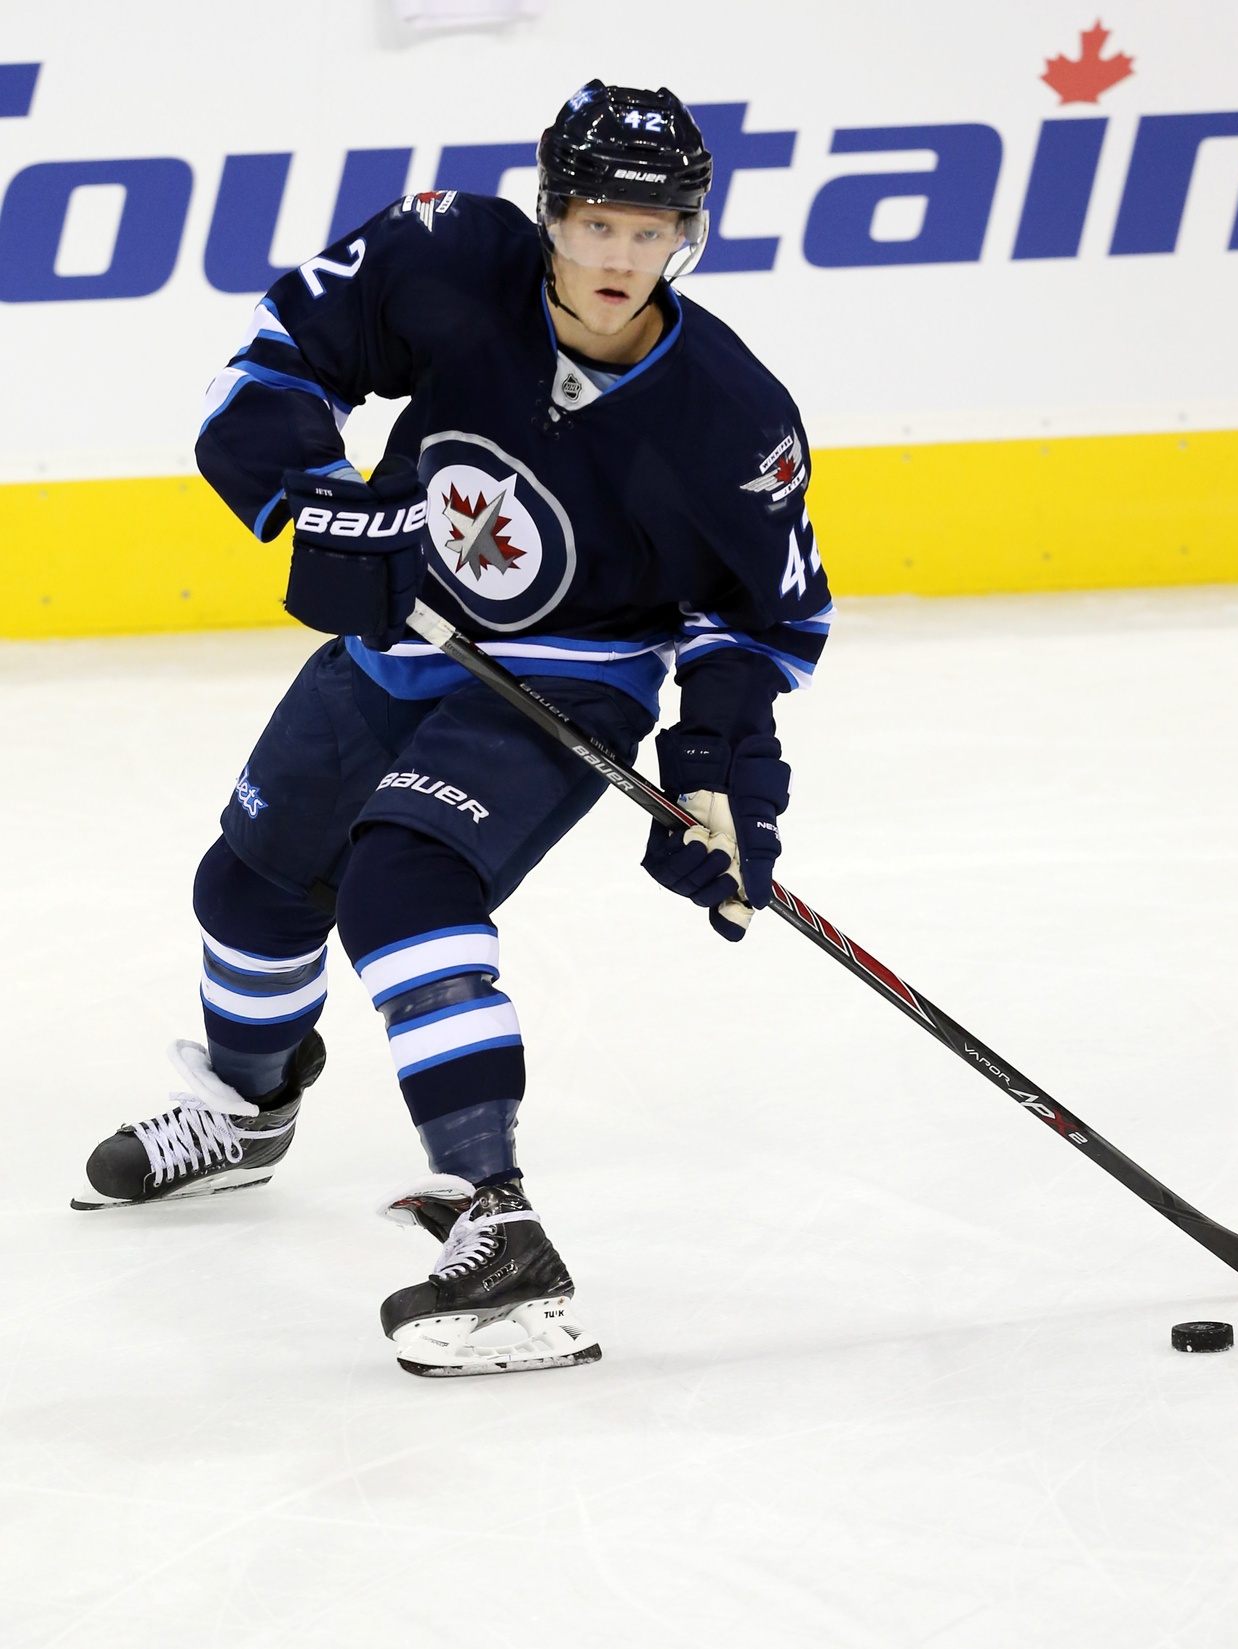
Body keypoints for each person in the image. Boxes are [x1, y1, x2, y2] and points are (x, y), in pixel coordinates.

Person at [72, 80, 832, 1377]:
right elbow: (273, 362)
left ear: (686, 235)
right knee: (251, 880)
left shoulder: (732, 415)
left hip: (573, 678)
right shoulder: (447, 255)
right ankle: (247, 1110)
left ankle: (498, 1225)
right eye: (596, 224)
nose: (619, 259)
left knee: (403, 880)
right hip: (405, 632)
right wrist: (325, 507)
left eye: (651, 232)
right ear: (552, 213)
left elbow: (762, 617)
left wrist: (718, 767)